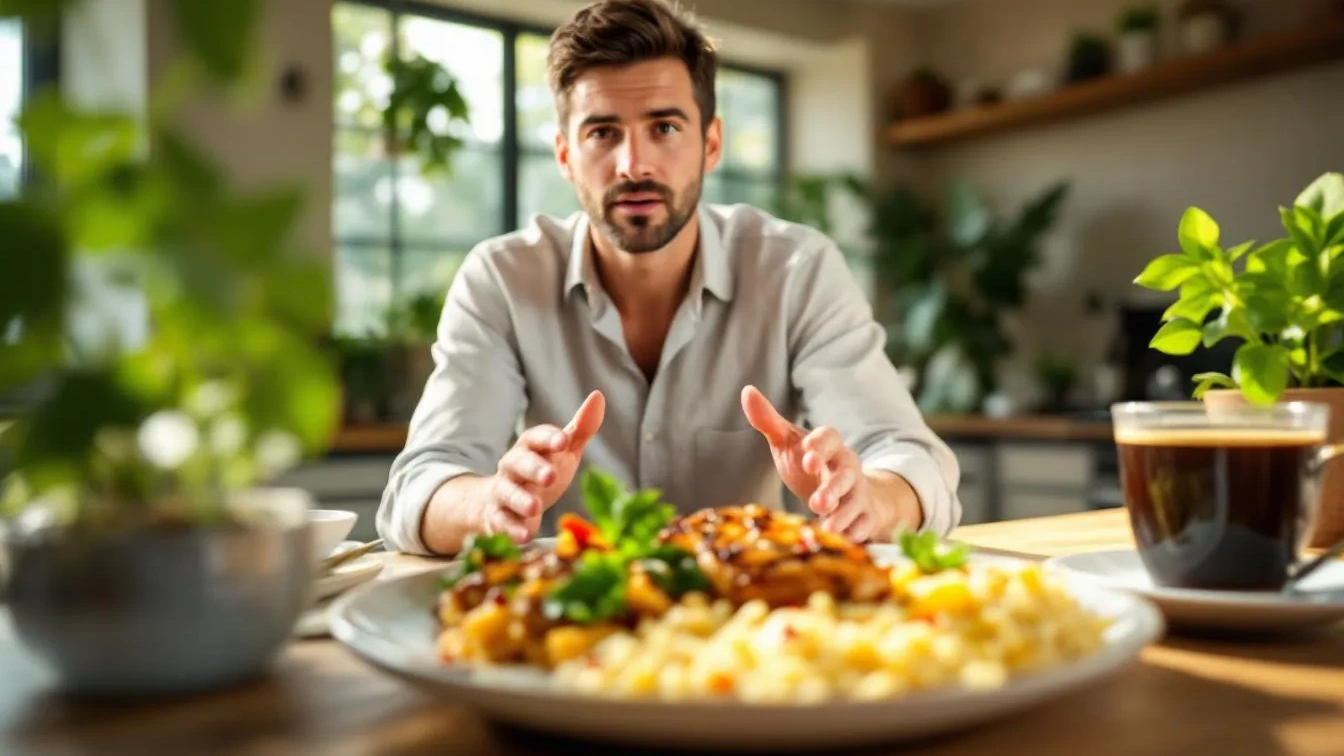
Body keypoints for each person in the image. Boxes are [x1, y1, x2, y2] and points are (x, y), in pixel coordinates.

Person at [376, 0, 961, 555]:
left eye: (664, 128)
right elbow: (418, 488)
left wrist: (872, 500)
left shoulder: (797, 270)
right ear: (564, 156)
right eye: (602, 132)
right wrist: (490, 503)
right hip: (568, 620)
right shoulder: (501, 279)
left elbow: (910, 456)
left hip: (751, 619)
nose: (634, 164)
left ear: (711, 144)